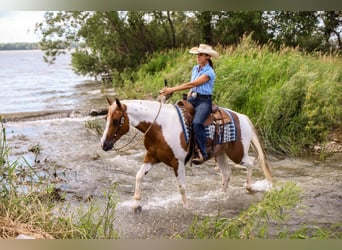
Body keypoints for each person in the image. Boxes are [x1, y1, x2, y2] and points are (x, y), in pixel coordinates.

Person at [159, 44, 219, 164]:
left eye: (200, 55)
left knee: (197, 123)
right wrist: (189, 95)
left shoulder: (209, 72)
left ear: (207, 57)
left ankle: (202, 152)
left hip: (204, 101)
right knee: (175, 113)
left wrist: (172, 89)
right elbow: (192, 87)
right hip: (193, 98)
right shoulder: (195, 68)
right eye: (197, 54)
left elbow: (192, 84)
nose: (198, 57)